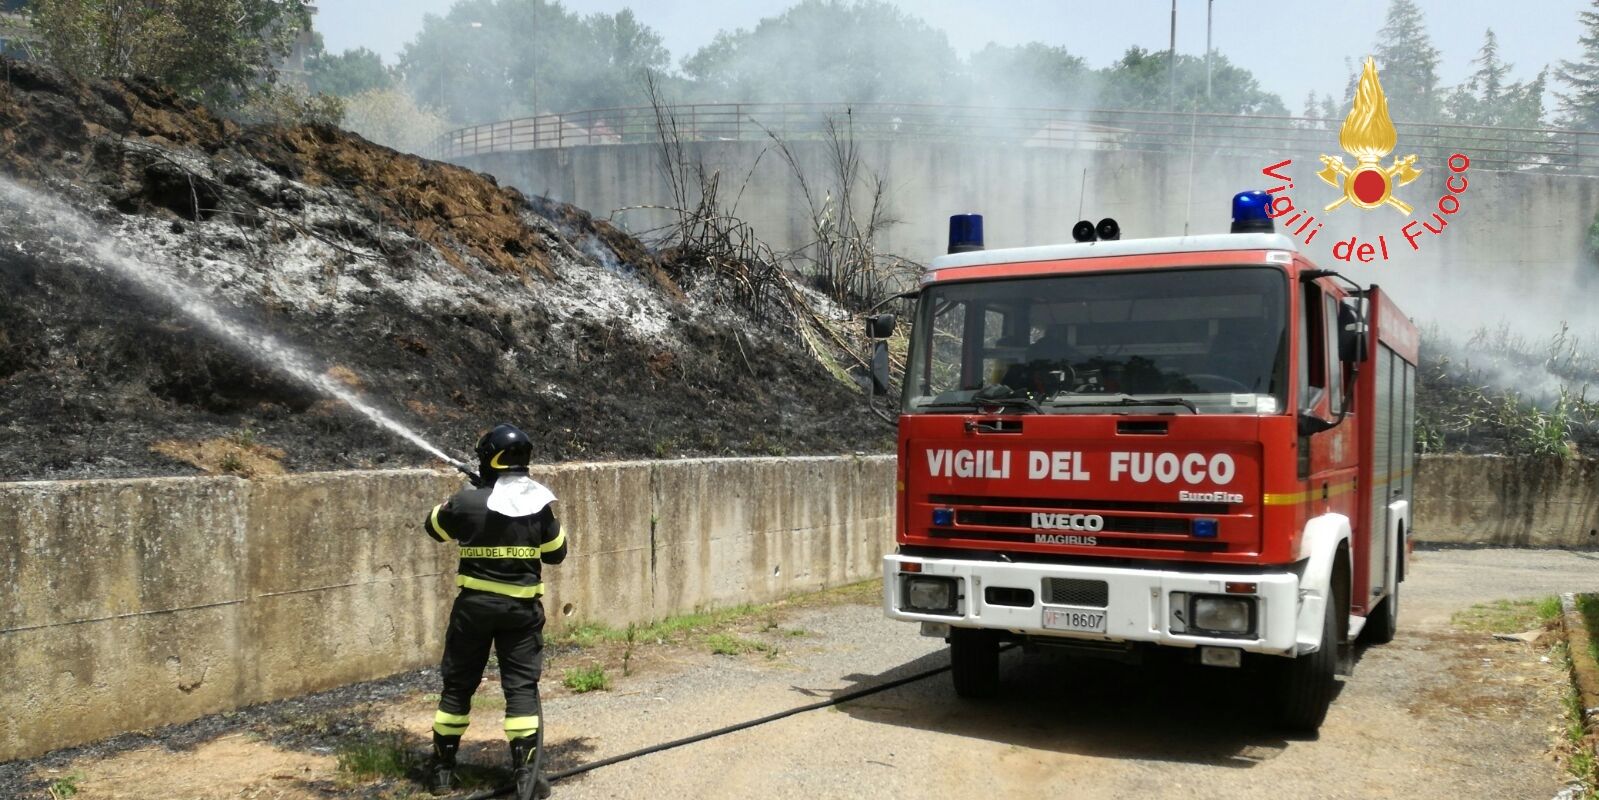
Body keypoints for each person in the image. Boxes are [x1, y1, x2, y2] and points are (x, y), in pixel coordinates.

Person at [423, 423, 566, 799]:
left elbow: (434, 528)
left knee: (457, 687)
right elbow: (556, 553)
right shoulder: (538, 505)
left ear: (488, 459)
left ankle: (441, 772)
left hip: (473, 611)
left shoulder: (465, 501)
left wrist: (469, 493)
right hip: (520, 613)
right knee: (520, 688)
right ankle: (526, 776)